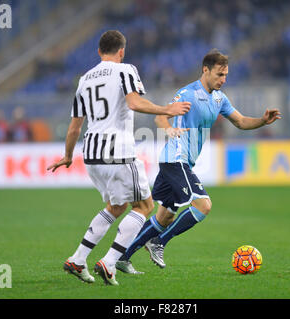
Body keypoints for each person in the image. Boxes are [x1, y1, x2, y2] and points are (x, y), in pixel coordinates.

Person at [116, 49, 281, 273]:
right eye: (219, 75)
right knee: (203, 205)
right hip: (176, 159)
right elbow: (160, 117)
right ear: (205, 70)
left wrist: (262, 121)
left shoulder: (219, 98)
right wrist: (170, 129)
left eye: (226, 75)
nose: (223, 80)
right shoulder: (188, 93)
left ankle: (121, 257)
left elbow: (241, 121)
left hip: (182, 162)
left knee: (164, 216)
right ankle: (159, 242)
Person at [46, 30, 190, 285]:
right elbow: (134, 103)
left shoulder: (84, 80)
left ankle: (78, 260)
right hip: (118, 153)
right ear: (121, 51)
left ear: (99, 51)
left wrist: (68, 156)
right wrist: (167, 109)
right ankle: (110, 261)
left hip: (91, 155)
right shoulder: (125, 70)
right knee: (144, 206)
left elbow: (74, 127)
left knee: (116, 206)